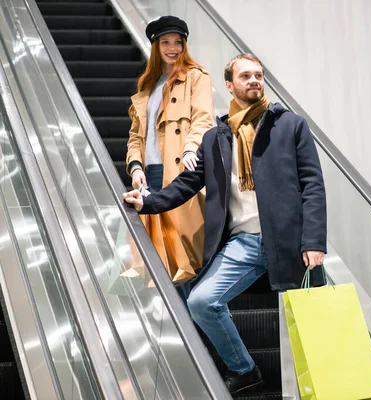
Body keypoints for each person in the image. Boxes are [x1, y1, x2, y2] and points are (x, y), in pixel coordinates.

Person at [123, 53, 327, 394]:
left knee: (310, 320)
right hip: (243, 243)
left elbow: (313, 185)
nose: (254, 81)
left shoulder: (290, 126)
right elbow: (188, 184)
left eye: (258, 75)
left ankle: (326, 382)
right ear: (229, 85)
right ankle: (244, 369)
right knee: (201, 301)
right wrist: (148, 201)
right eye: (245, 76)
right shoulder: (216, 137)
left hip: (289, 242)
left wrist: (315, 241)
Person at [125, 16, 214, 299]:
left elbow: (203, 119)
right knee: (156, 263)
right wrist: (136, 165)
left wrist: (191, 149)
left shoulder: (196, 77)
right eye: (166, 42)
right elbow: (136, 136)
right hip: (150, 176)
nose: (173, 48)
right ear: (155, 46)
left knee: (182, 260)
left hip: (180, 174)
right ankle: (180, 333)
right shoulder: (146, 88)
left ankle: (194, 336)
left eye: (178, 41)